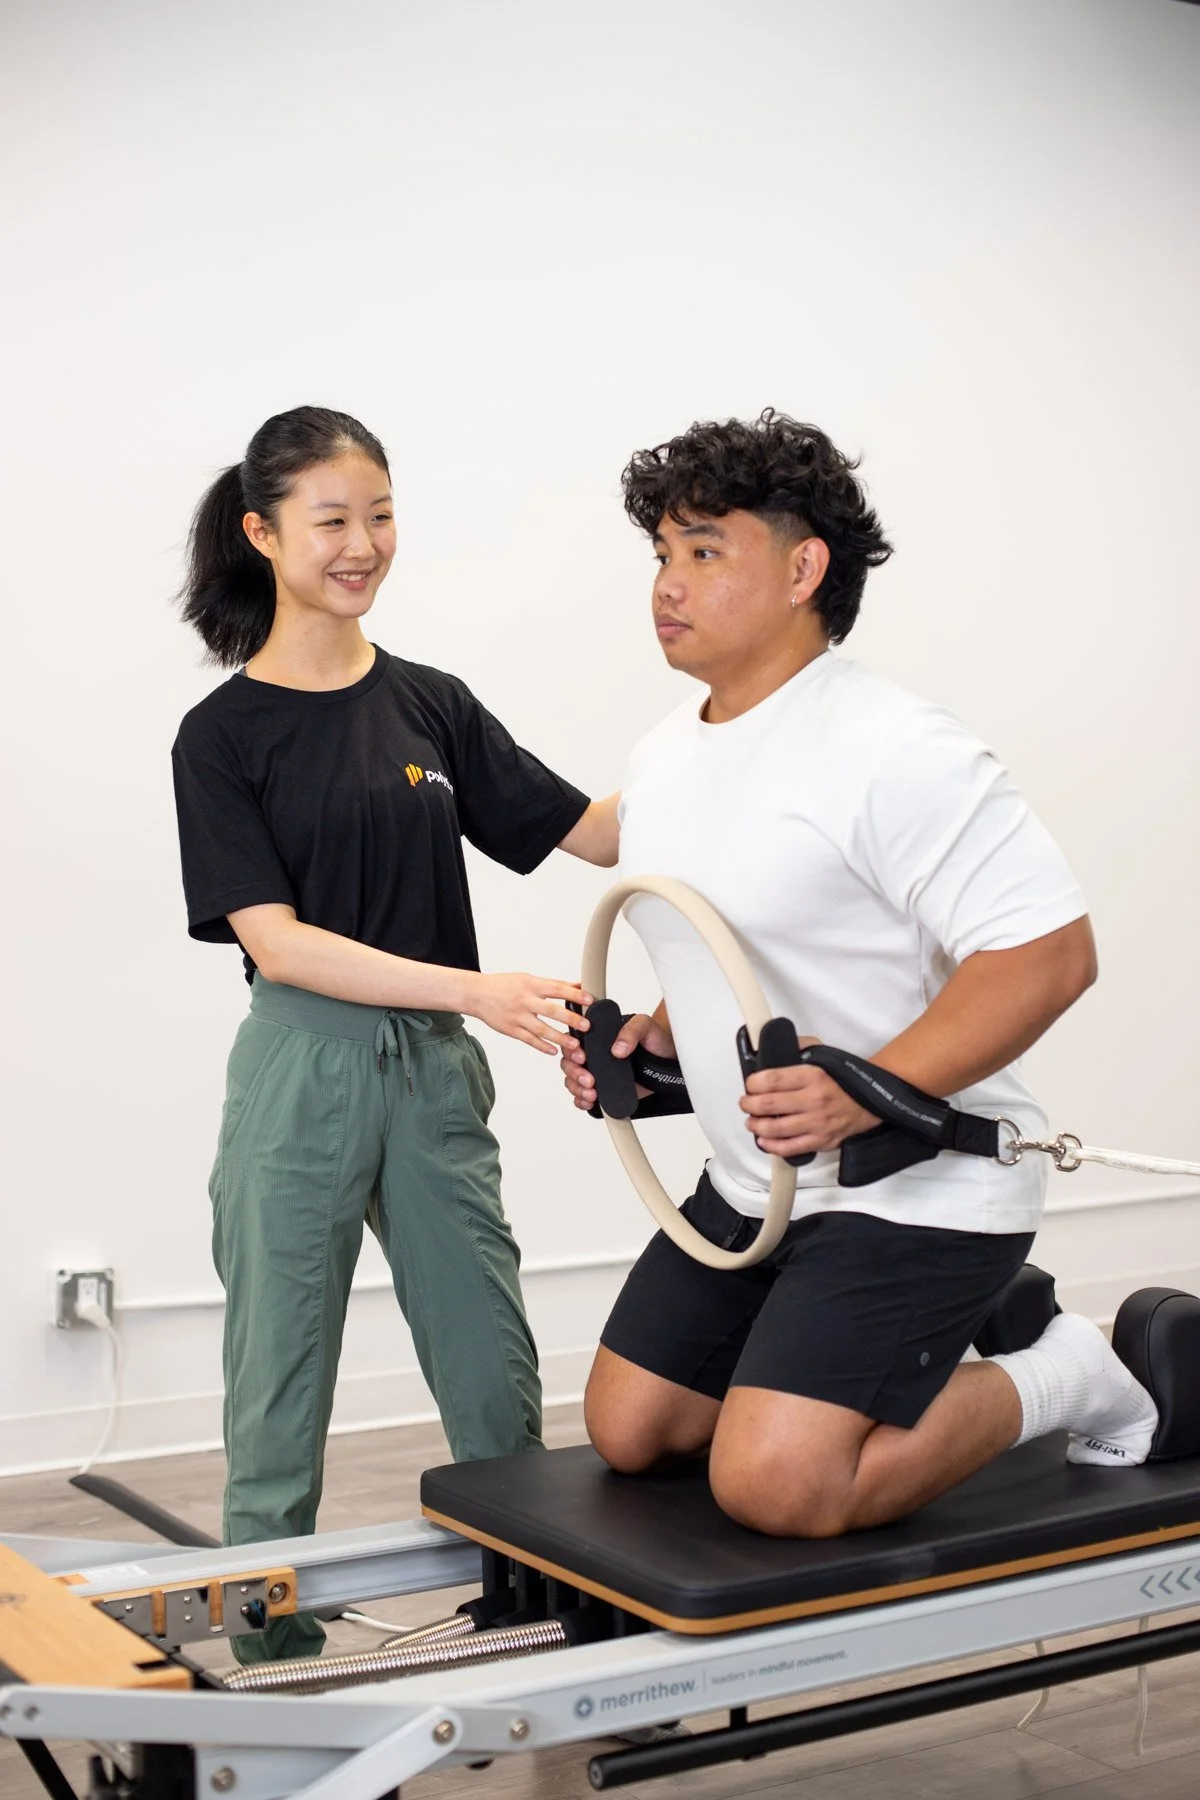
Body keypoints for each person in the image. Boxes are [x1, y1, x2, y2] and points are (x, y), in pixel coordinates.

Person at [561, 409, 1156, 1539]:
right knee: (632, 1430)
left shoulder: (897, 748)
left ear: (802, 568)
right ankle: (916, 1339)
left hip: (920, 1185)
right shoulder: (665, 757)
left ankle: (1074, 1368)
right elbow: (750, 959)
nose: (666, 586)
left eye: (703, 552)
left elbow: (1049, 955)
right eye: (660, 555)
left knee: (778, 1484)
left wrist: (862, 1085)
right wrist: (652, 1043)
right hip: (764, 1187)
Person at [173, 405, 616, 1659]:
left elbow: (591, 829)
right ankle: (268, 1654)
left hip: (431, 1081)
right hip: (301, 1069)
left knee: (489, 1360)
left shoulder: (431, 704)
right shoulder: (222, 737)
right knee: (278, 1384)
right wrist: (474, 990)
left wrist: (742, 747)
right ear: (264, 534)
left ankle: (530, 1602)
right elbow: (278, 940)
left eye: (380, 516)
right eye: (332, 520)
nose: (362, 544)